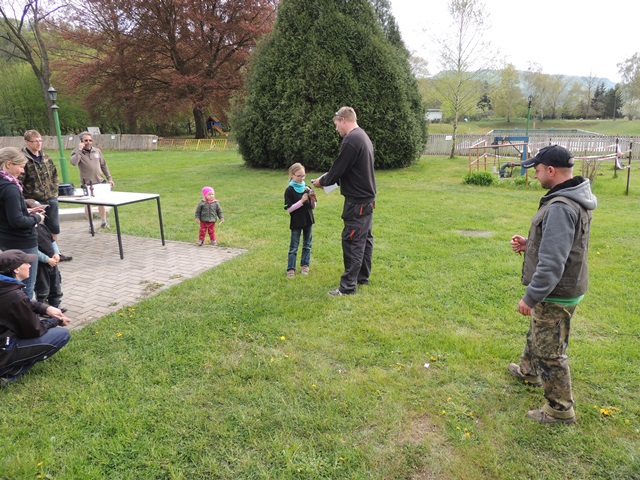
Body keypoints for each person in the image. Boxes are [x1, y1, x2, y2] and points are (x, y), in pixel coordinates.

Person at [508, 145, 597, 424]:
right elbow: (564, 244)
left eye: (537, 170)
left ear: (550, 170)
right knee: (539, 331)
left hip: (557, 290)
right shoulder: (575, 196)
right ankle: (529, 371)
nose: (535, 175)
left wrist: (530, 297)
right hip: (568, 283)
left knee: (550, 350)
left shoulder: (560, 206)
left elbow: (552, 264)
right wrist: (531, 243)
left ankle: (560, 409)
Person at [312, 106, 376, 296]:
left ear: (343, 120)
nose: (336, 129)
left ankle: (348, 287)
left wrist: (322, 182)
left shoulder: (351, 140)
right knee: (364, 239)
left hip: (357, 202)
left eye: (336, 125)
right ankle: (362, 277)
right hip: (367, 200)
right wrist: (328, 182)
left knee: (353, 240)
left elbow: (337, 169)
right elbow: (349, 171)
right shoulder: (363, 136)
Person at [0, 249, 70, 388]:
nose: (30, 266)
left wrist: (46, 308)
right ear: (16, 269)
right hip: (3, 350)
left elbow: (25, 302)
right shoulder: (14, 295)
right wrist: (56, 321)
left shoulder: (5, 286)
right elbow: (34, 330)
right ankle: (8, 371)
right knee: (61, 335)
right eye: (26, 263)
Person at [0, 147, 46, 300]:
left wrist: (26, 211)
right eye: (20, 166)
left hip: (5, 240)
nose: (22, 171)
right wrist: (37, 218)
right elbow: (16, 221)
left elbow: (6, 212)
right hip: (22, 241)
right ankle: (26, 314)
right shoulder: (10, 188)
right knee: (26, 287)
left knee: (10, 286)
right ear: (8, 164)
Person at [19, 130, 71, 262]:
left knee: (53, 226)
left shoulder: (46, 157)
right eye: (35, 141)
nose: (38, 143)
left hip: (50, 197)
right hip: (33, 199)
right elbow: (19, 181)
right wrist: (25, 199)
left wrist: (54, 190)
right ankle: (43, 255)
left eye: (40, 140)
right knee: (38, 228)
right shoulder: (23, 159)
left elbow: (54, 174)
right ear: (27, 142)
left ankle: (56, 253)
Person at [25, 200, 64, 311]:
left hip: (53, 263)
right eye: (39, 212)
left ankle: (56, 304)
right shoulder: (29, 232)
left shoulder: (43, 227)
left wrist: (56, 253)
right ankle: (43, 308)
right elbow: (34, 251)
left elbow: (52, 241)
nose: (43, 214)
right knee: (43, 288)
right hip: (41, 265)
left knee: (56, 285)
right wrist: (47, 259)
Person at [69, 132, 115, 229]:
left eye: (90, 140)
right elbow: (74, 162)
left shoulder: (97, 151)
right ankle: (91, 225)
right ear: (81, 141)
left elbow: (103, 165)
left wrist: (109, 178)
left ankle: (104, 222)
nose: (88, 142)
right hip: (87, 183)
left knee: (101, 202)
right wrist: (79, 150)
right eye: (86, 140)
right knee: (88, 204)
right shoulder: (76, 152)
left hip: (99, 181)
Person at [284, 163, 316, 278]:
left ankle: (305, 265)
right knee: (294, 246)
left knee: (307, 245)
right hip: (296, 222)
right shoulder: (289, 190)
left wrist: (312, 200)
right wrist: (301, 201)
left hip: (308, 220)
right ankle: (290, 269)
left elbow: (313, 207)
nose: (301, 178)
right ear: (292, 175)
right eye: (299, 176)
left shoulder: (307, 188)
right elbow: (289, 209)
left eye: (303, 175)